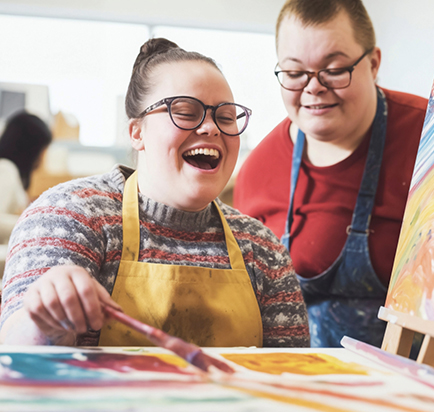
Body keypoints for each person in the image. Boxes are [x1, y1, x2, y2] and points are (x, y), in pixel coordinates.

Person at [0, 38, 310, 349]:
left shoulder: (260, 247)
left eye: (226, 117)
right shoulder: (71, 214)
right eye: (186, 112)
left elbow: (295, 377)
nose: (211, 128)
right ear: (137, 132)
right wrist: (47, 323)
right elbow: (16, 354)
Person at [234, 0, 428, 348]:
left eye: (334, 68)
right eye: (294, 73)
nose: (313, 87)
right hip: (304, 385)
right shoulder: (258, 170)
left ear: (373, 64)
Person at [0, 111, 52, 244]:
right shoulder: (6, 169)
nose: (44, 156)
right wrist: (32, 222)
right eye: (43, 149)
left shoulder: (12, 172)